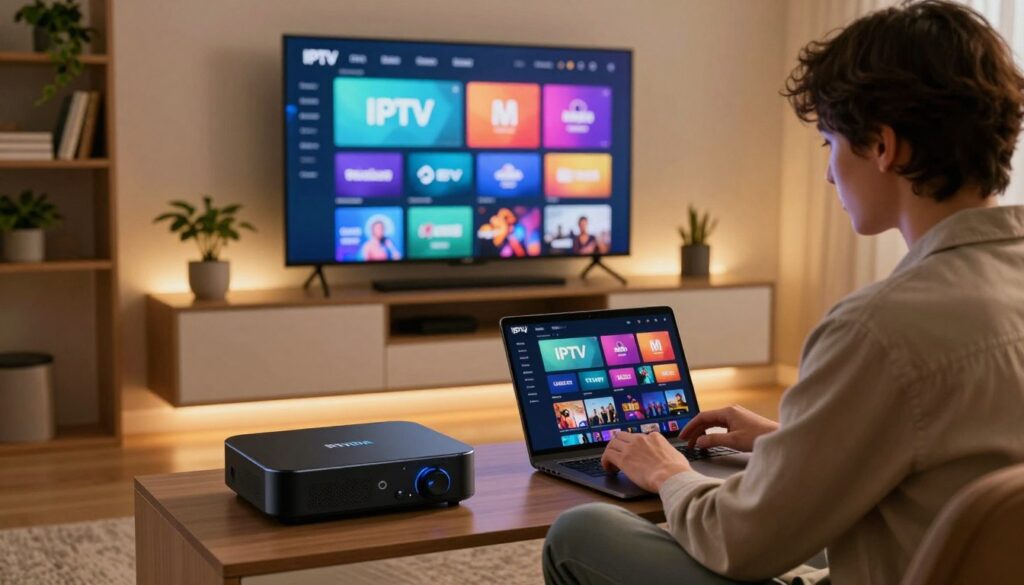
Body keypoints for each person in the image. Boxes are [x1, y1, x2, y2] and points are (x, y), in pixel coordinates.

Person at [543, 2, 1024, 584]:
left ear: (882, 147)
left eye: (830, 143)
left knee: (581, 534)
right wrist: (789, 443)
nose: (829, 173)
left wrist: (667, 471)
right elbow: (949, 458)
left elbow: (739, 540)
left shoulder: (878, 330)